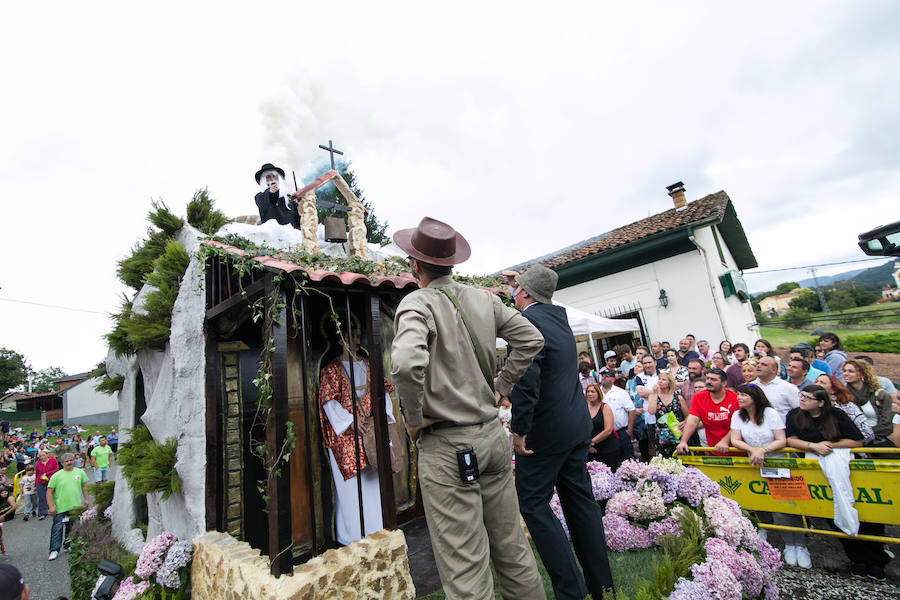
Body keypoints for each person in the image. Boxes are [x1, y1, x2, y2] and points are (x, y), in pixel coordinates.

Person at [390, 217, 547, 600]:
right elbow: (531, 338)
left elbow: (407, 364)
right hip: (491, 437)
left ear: (415, 264)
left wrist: (412, 420)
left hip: (446, 445)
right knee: (513, 551)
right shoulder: (483, 298)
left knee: (465, 570)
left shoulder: (417, 302)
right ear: (451, 261)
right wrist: (501, 386)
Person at [506, 264, 615, 600]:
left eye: (516, 288)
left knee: (533, 504)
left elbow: (526, 380)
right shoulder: (558, 319)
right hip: (575, 427)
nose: (513, 292)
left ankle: (572, 591)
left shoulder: (528, 322)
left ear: (524, 293)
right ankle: (604, 589)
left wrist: (519, 429)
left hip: (546, 433)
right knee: (581, 505)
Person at [784, 386, 888, 579]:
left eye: (808, 397)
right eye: (802, 395)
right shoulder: (794, 415)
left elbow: (857, 441)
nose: (803, 399)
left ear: (821, 402)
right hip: (816, 469)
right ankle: (856, 557)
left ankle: (876, 560)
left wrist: (830, 446)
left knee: (865, 514)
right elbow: (791, 439)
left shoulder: (836, 414)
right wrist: (813, 446)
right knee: (832, 514)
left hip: (844, 467)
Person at [318, 325, 398, 545]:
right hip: (345, 437)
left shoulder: (368, 364)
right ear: (340, 340)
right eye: (350, 336)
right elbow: (328, 401)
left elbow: (383, 392)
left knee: (373, 481)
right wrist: (350, 422)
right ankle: (352, 537)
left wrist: (382, 419)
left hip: (371, 432)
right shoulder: (330, 370)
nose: (356, 340)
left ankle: (376, 529)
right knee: (352, 491)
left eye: (356, 335)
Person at [728, 383, 810, 566]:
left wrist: (763, 450)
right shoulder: (738, 415)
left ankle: (797, 545)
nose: (739, 398)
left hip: (779, 462)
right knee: (762, 503)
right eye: (738, 394)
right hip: (756, 463)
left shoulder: (770, 414)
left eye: (744, 395)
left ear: (755, 397)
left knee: (786, 507)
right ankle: (775, 539)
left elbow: (781, 439)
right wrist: (753, 450)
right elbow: (735, 439)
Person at [676, 369, 740, 455]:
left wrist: (725, 441)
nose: (709, 382)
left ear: (724, 383)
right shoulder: (698, 397)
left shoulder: (735, 398)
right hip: (713, 449)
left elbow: (737, 425)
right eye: (708, 378)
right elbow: (692, 421)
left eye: (713, 379)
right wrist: (683, 441)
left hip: (737, 449)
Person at [841, 359, 895, 447]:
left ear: (862, 374)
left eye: (851, 371)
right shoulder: (841, 396)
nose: (846, 374)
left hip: (880, 441)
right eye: (844, 371)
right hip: (853, 442)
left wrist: (867, 435)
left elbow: (888, 424)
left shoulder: (881, 395)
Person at [46, 452, 89, 560]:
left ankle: (68, 545)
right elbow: (49, 492)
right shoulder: (56, 476)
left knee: (73, 528)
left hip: (75, 507)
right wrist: (51, 506)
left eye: (71, 460)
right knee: (57, 529)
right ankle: (54, 550)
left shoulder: (80, 472)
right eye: (66, 461)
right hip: (60, 508)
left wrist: (86, 499)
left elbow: (84, 487)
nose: (69, 462)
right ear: (62, 463)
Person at [815, 374, 874, 445]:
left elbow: (867, 434)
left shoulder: (848, 407)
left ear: (833, 390)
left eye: (822, 382)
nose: (817, 384)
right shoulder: (808, 406)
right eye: (816, 381)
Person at [648, 371, 688, 458]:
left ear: (669, 382)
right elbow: (651, 411)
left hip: (677, 432)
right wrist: (654, 393)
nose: (660, 381)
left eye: (663, 379)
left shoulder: (678, 397)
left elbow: (688, 416)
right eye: (659, 379)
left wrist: (685, 422)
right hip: (661, 434)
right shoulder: (653, 396)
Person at [253, 163, 301, 228]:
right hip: (273, 235)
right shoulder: (260, 197)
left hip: (292, 235)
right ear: (263, 180)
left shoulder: (289, 198)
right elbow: (266, 202)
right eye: (268, 177)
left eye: (274, 176)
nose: (272, 179)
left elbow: (298, 219)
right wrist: (270, 193)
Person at [585, 383, 619, 470]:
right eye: (588, 391)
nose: (590, 394)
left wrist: (591, 442)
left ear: (598, 393)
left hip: (607, 448)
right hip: (590, 449)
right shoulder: (584, 408)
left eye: (592, 391)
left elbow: (608, 430)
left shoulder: (605, 407)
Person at [34, 450, 58, 520]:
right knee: (42, 497)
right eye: (40, 456)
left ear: (47, 455)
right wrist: (35, 484)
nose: (42, 457)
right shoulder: (38, 464)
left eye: (43, 455)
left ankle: (55, 508)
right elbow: (37, 474)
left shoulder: (53, 460)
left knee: (53, 495)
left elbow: (56, 469)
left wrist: (47, 473)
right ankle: (42, 513)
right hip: (40, 481)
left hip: (50, 480)